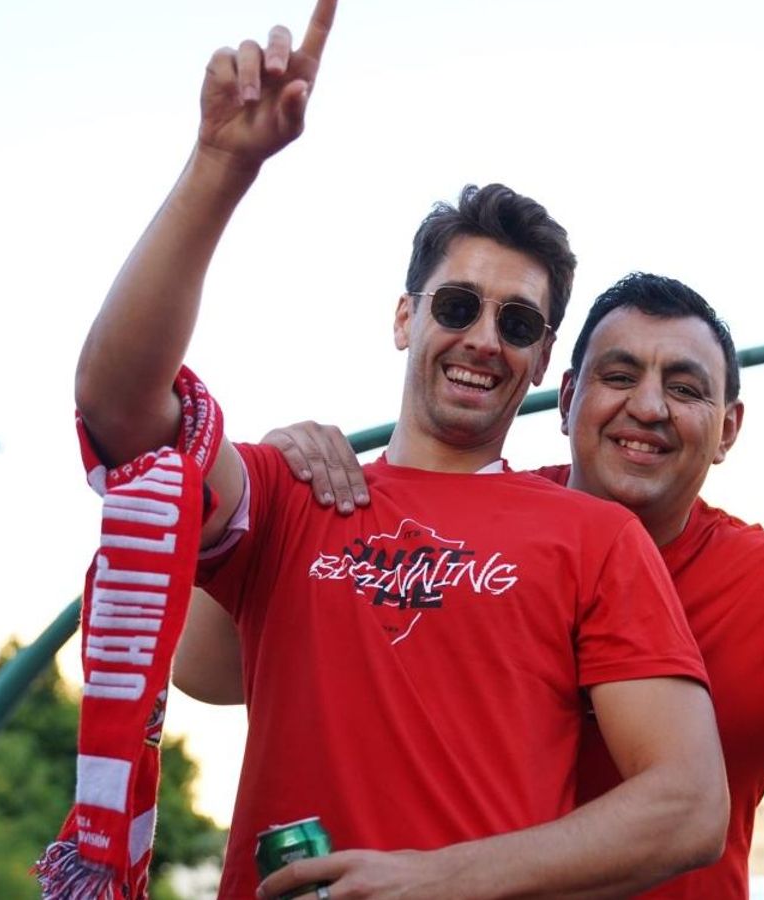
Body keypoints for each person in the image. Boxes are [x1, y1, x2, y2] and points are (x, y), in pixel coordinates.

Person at [73, 2, 729, 895]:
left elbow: (688, 805)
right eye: (457, 306)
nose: (484, 340)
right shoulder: (295, 491)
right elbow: (118, 405)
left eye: (519, 322)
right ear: (404, 318)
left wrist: (438, 879)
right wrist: (221, 166)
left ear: (541, 359)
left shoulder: (597, 540)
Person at [205, 272, 764, 898]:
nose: (647, 407)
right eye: (618, 376)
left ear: (727, 430)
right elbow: (215, 672)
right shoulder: (447, 528)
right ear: (567, 394)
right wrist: (274, 499)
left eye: (685, 389)